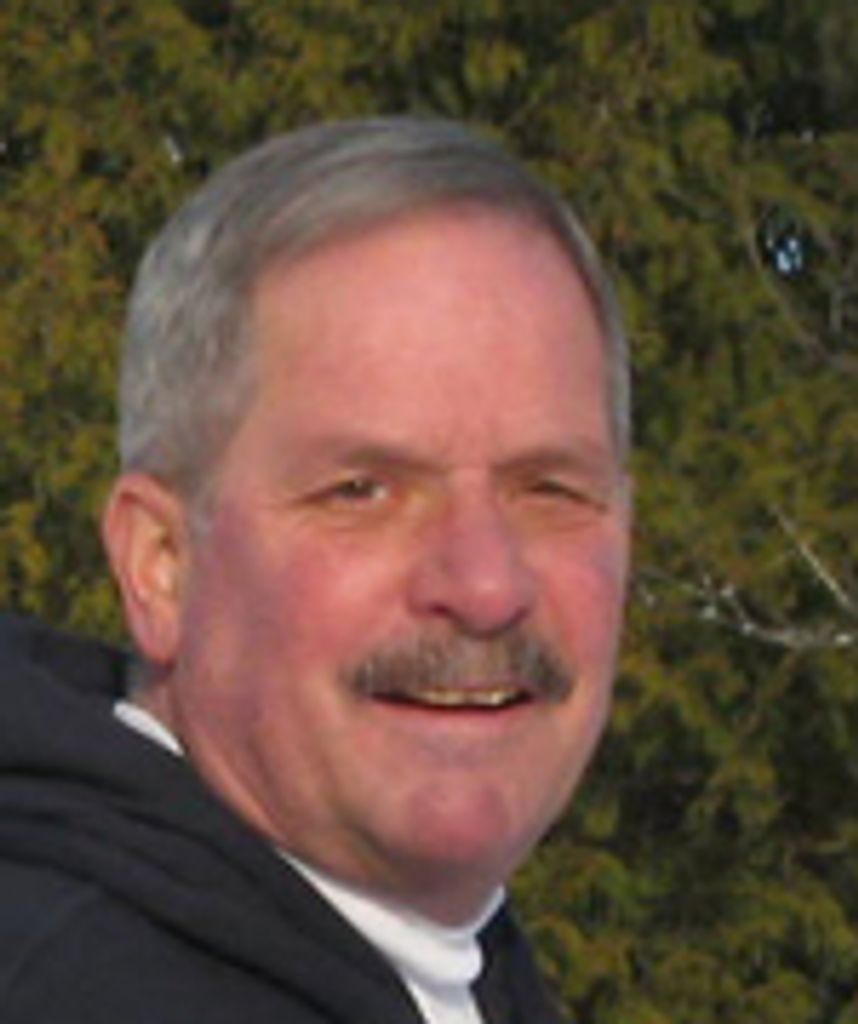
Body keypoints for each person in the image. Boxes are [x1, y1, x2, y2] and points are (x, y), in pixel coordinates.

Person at [0, 116, 631, 1023]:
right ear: (161, 564)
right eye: (363, 491)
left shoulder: (427, 960)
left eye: (550, 489)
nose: (486, 586)